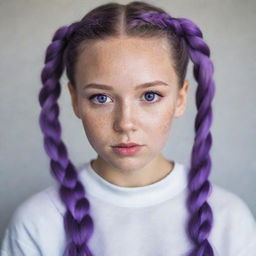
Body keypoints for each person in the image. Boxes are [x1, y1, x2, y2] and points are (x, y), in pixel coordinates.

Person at [1, 1, 256, 256]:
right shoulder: (38, 222)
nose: (125, 123)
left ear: (180, 99)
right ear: (75, 100)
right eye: (101, 98)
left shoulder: (230, 220)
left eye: (150, 95)